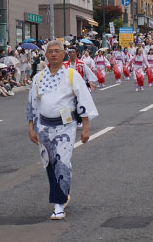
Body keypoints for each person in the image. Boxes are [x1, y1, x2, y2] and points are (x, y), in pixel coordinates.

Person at [26, 40, 99, 220]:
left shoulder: (73, 75)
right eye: (50, 51)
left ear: (63, 54)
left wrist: (86, 128)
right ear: (45, 55)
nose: (53, 54)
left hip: (65, 126)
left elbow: (83, 101)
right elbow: (33, 103)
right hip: (43, 126)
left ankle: (58, 204)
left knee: (62, 162)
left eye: (57, 51)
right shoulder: (38, 77)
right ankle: (62, 194)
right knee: (49, 162)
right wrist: (31, 127)